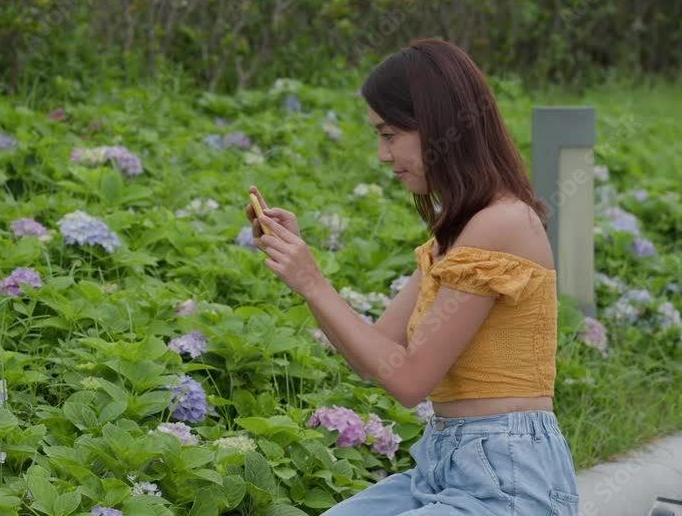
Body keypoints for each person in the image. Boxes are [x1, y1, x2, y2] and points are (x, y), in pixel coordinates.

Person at [244, 38, 579, 515]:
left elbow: (409, 382)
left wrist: (314, 280)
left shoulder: (501, 224)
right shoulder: (456, 235)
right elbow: (376, 357)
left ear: (437, 126)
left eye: (389, 134)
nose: (382, 155)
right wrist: (302, 274)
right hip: (443, 466)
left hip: (509, 482)